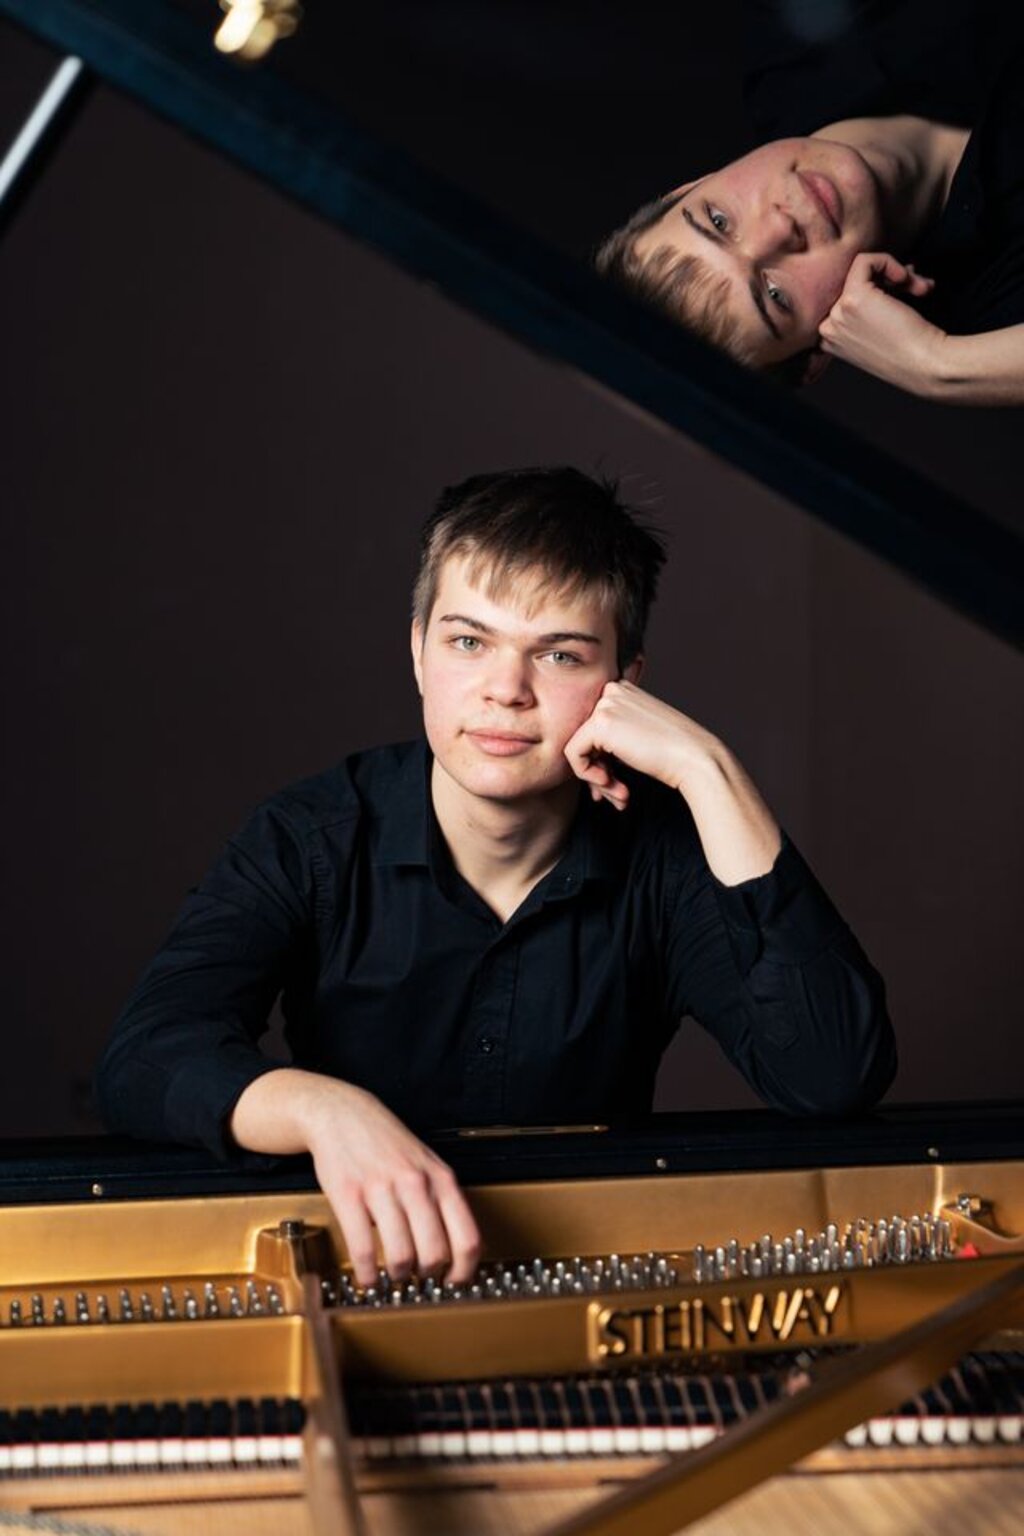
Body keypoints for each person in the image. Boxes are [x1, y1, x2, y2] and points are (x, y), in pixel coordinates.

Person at [97, 467, 896, 1286]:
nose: (506, 691)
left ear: (625, 686)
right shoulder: (310, 838)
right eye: (469, 643)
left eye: (559, 654)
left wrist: (707, 768)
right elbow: (145, 1058)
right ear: (418, 652)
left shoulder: (663, 854)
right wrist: (324, 1109)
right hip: (361, 1272)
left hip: (593, 1286)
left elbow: (831, 1074)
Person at [595, 1, 1024, 404]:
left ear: (689, 187)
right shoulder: (997, 319)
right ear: (821, 352)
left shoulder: (799, 42)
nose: (781, 228)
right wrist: (939, 365)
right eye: (776, 296)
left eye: (719, 220)